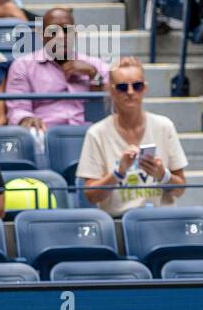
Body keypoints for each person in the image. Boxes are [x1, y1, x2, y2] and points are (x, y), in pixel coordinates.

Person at [78, 57, 188, 214]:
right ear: (111, 90)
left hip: (161, 219)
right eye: (122, 87)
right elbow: (91, 196)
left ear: (145, 88)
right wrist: (118, 173)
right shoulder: (96, 133)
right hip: (118, 221)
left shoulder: (164, 126)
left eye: (137, 86)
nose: (130, 92)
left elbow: (180, 189)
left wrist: (162, 175)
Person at [5, 6, 110, 130]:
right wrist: (26, 119)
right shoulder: (23, 66)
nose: (60, 36)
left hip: (89, 131)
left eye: (66, 30)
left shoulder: (95, 65)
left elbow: (112, 105)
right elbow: (18, 109)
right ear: (42, 34)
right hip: (44, 131)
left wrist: (94, 75)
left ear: (75, 34)